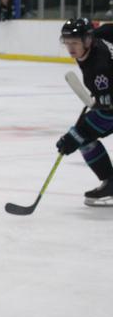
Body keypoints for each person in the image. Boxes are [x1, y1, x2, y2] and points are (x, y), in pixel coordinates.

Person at [57, 18, 113, 206]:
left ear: (87, 41)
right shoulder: (99, 34)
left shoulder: (98, 70)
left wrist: (77, 135)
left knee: (82, 136)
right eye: (67, 42)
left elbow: (108, 113)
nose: (70, 48)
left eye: (74, 43)